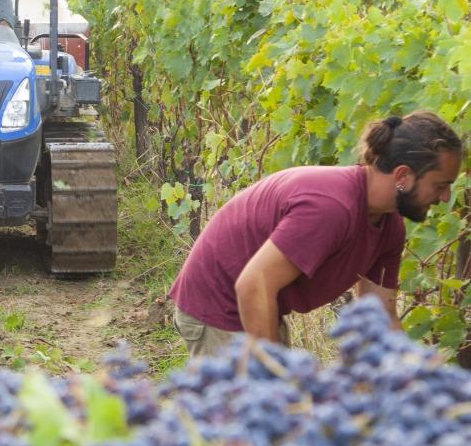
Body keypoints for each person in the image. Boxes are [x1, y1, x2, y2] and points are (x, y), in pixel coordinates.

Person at [169, 110, 463, 357]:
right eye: (440, 185)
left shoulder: (388, 226)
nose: (446, 197)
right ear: (403, 176)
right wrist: (275, 378)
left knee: (281, 417)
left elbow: (381, 318)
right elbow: (253, 284)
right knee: (255, 415)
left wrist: (420, 376)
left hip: (259, 301)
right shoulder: (331, 208)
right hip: (218, 301)